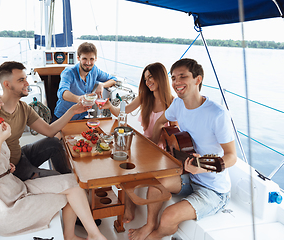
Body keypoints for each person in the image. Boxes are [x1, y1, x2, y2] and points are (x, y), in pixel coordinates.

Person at [0, 82, 106, 239]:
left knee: (74, 182)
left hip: (16, 187)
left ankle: (93, 235)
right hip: (3, 208)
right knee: (68, 197)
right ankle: (73, 236)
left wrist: (5, 166)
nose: (1, 103)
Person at [128, 58, 237, 240]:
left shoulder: (217, 114)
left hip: (213, 190)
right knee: (155, 183)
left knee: (169, 216)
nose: (176, 82)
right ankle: (149, 224)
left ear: (198, 79)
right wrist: (154, 146)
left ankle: (155, 235)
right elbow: (161, 122)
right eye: (173, 78)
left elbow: (232, 156)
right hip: (188, 175)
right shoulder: (178, 104)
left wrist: (202, 167)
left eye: (182, 76)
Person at [0, 61, 89, 201]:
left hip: (21, 156)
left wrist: (72, 111)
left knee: (54, 143)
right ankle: (68, 188)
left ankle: (69, 181)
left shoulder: (23, 108)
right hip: (11, 170)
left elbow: (49, 131)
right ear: (6, 85)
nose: (27, 83)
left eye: (26, 78)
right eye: (21, 80)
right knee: (59, 179)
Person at [101, 62, 176, 223]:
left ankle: (128, 209)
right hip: (145, 146)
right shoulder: (145, 97)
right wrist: (109, 106)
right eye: (146, 78)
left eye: (151, 77)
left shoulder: (173, 103)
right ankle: (127, 207)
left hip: (161, 153)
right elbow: (123, 111)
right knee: (119, 160)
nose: (148, 81)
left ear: (161, 77)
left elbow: (175, 136)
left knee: (127, 166)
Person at [53, 42, 117, 121]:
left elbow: (113, 79)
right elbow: (62, 93)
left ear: (95, 59)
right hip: (63, 118)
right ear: (78, 58)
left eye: (91, 59)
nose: (88, 63)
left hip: (83, 117)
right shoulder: (68, 72)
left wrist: (102, 85)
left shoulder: (95, 70)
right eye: (84, 59)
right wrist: (80, 99)